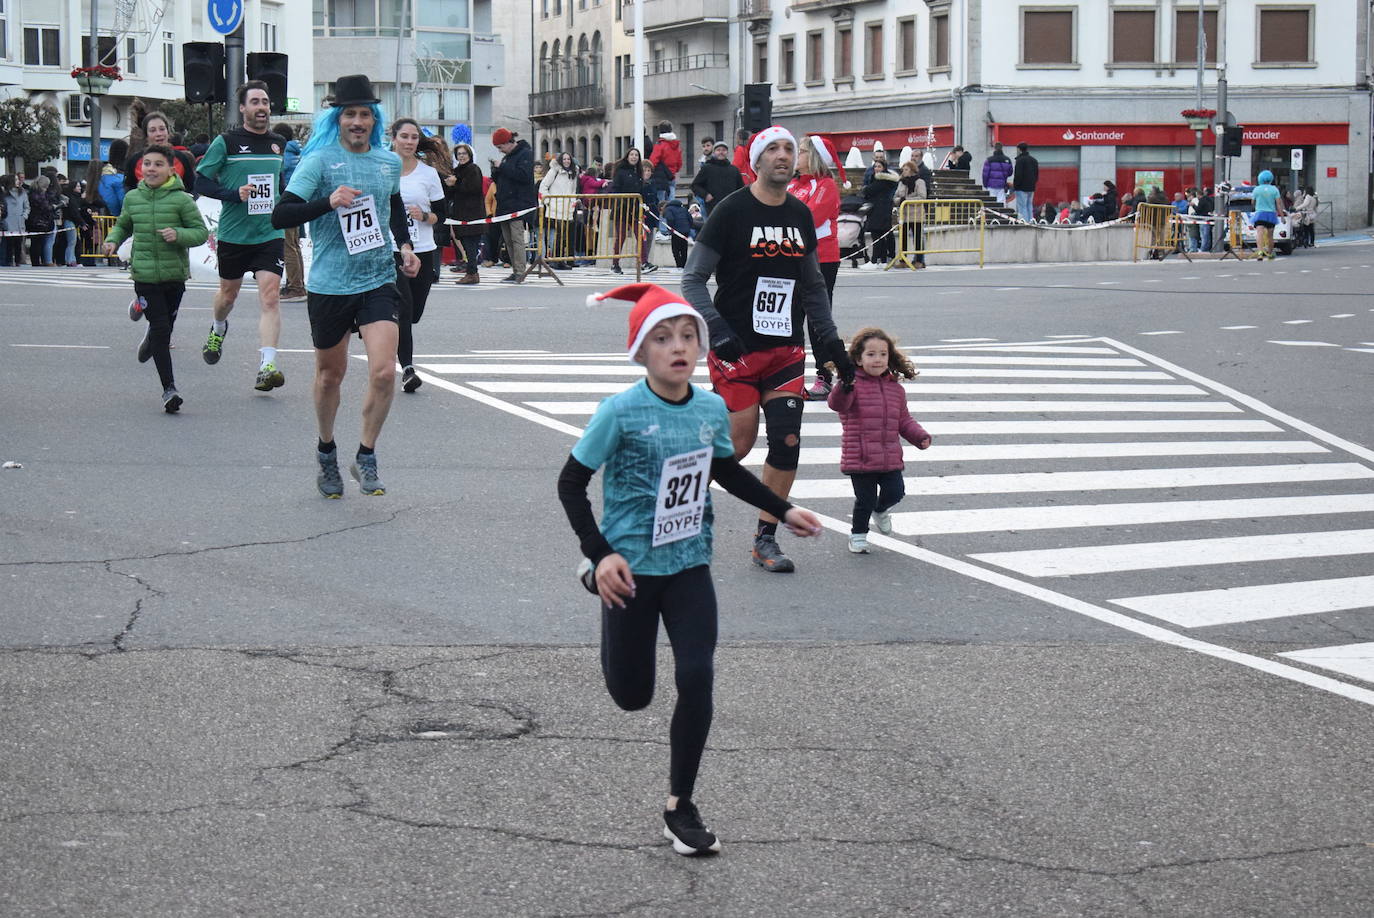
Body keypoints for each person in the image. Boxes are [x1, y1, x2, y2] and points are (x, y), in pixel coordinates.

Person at [558, 282, 823, 857]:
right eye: (662, 338)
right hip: (628, 567)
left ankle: (680, 804)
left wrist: (783, 509)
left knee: (697, 675)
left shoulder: (709, 408)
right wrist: (601, 553)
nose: (677, 346)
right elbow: (571, 483)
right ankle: (592, 575)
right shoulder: (620, 412)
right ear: (642, 352)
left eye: (686, 336)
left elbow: (725, 471)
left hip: (688, 563)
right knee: (632, 697)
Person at [681, 125, 854, 572]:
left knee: (787, 442)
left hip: (785, 350)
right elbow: (692, 279)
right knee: (737, 446)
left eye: (789, 149)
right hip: (736, 347)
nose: (782, 155)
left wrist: (831, 342)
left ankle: (765, 539)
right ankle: (679, 497)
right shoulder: (731, 211)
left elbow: (813, 286)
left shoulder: (799, 214)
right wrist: (716, 328)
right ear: (756, 161)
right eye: (772, 148)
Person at [271, 73, 420, 498]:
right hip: (331, 284)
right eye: (350, 114)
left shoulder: (388, 162)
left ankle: (366, 455)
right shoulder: (318, 161)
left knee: (383, 371)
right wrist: (328, 201)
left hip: (377, 278)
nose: (358, 121)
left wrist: (405, 245)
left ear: (374, 120)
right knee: (329, 376)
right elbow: (281, 216)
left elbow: (392, 206)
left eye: (365, 115)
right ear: (337, 119)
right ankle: (325, 450)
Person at [194, 80, 289, 392]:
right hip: (235, 234)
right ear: (244, 108)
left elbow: (281, 182)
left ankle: (267, 365)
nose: (262, 107)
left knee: (271, 296)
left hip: (269, 232)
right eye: (256, 102)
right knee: (228, 296)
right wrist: (234, 194)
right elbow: (202, 182)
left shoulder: (278, 143)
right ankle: (218, 327)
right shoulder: (226, 142)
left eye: (265, 101)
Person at [101, 144, 210, 412]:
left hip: (174, 276)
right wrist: (112, 240)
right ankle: (169, 390)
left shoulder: (182, 200)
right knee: (161, 330)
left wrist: (179, 235)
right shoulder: (133, 198)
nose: (151, 169)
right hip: (145, 276)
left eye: (158, 164)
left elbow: (200, 233)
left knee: (164, 329)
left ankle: (152, 341)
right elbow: (124, 224)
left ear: (171, 169)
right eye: (147, 164)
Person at [827, 327, 931, 553]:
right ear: (858, 358)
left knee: (896, 492)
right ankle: (858, 536)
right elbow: (837, 404)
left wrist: (919, 436)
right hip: (860, 455)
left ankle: (881, 509)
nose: (878, 359)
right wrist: (844, 385)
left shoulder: (896, 389)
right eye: (871, 354)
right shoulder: (851, 385)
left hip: (889, 455)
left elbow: (903, 420)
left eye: (883, 354)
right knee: (864, 499)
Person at [389, 118, 446, 393]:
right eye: (404, 136)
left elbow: (442, 214)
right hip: (390, 250)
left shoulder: (427, 174)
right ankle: (408, 369)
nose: (409, 142)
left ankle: (379, 324)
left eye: (414, 137)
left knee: (414, 314)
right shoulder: (383, 168)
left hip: (424, 249)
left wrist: (424, 216)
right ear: (394, 138)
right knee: (404, 308)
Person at [788, 134, 845, 400]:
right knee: (791, 319)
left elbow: (808, 217)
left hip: (821, 259)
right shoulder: (793, 185)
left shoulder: (825, 185)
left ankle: (825, 375)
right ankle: (792, 375)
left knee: (817, 320)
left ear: (813, 157)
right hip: (790, 258)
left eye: (799, 151)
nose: (794, 156)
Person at [489, 127, 535, 284]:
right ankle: (515, 270)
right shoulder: (508, 157)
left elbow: (523, 176)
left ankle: (520, 271)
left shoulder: (525, 154)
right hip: (505, 205)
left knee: (517, 239)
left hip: (518, 204)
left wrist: (502, 167)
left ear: (508, 143)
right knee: (508, 241)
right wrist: (496, 171)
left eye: (500, 147)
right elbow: (501, 179)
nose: (500, 151)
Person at [123, 111, 198, 192]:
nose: (158, 134)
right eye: (152, 130)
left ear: (168, 132)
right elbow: (129, 188)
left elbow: (191, 189)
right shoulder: (135, 160)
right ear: (146, 135)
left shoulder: (182, 158)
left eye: (162, 129)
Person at [274, 123, 308, 300]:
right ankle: (298, 283)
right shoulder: (296, 153)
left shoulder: (283, 155)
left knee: (288, 246)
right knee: (294, 245)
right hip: (298, 201)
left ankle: (295, 286)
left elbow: (276, 175)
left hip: (286, 203)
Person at [449, 142, 486, 284]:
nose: (462, 156)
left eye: (464, 153)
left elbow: (473, 188)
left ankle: (472, 273)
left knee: (471, 245)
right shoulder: (457, 170)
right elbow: (453, 193)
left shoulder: (473, 169)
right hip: (460, 214)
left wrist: (456, 183)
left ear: (469, 155)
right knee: (466, 245)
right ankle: (471, 271)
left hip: (472, 215)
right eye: (459, 154)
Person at [609, 147, 649, 275]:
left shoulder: (638, 173)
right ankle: (615, 264)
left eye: (636, 155)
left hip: (636, 210)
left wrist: (644, 204)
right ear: (627, 156)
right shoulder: (621, 172)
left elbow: (641, 191)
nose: (634, 157)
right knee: (621, 237)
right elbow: (615, 189)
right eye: (631, 155)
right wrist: (622, 201)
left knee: (640, 236)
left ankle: (644, 262)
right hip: (622, 209)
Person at [539, 150, 579, 269]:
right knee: (558, 235)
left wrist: (573, 202)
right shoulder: (554, 171)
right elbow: (543, 186)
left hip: (568, 208)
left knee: (565, 235)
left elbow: (573, 190)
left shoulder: (573, 173)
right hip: (555, 207)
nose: (566, 161)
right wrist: (549, 202)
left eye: (568, 159)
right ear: (561, 161)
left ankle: (561, 259)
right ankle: (556, 260)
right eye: (564, 159)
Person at [860, 150, 900, 267]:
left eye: (879, 166)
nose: (876, 168)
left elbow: (869, 190)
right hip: (878, 209)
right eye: (875, 166)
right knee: (879, 235)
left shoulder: (883, 179)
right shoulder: (876, 177)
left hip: (880, 209)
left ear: (884, 167)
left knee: (877, 235)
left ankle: (874, 261)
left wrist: (866, 190)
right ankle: (882, 260)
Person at [691, 141, 744, 220]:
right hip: (713, 207)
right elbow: (695, 185)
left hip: (731, 207)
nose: (721, 152)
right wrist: (705, 195)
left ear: (727, 152)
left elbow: (741, 188)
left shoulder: (734, 170)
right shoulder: (707, 168)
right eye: (718, 150)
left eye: (723, 150)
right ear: (714, 152)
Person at [892, 159, 928, 266]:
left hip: (916, 215)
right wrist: (899, 200)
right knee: (903, 238)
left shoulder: (919, 182)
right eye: (903, 170)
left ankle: (919, 260)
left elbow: (922, 197)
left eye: (906, 169)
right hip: (904, 215)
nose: (904, 172)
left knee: (917, 238)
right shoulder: (901, 183)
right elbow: (896, 196)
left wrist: (907, 200)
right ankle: (903, 260)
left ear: (912, 170)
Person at [1251, 169, 1285, 261]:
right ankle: (1270, 253)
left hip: (1260, 214)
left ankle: (1260, 252)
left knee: (1259, 233)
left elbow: (1252, 202)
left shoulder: (1256, 189)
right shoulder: (1274, 189)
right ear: (1270, 179)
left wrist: (1255, 207)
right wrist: (1282, 216)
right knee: (1270, 235)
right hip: (1271, 214)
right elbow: (1278, 203)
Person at [26, 175, 59, 267]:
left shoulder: (32, 193)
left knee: (37, 242)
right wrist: (54, 207)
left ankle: (38, 261)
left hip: (34, 220)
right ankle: (37, 262)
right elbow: (45, 207)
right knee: (37, 243)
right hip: (39, 221)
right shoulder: (38, 194)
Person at [647, 121, 681, 205]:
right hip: (672, 176)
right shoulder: (675, 145)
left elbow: (653, 161)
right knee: (671, 200)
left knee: (661, 203)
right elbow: (679, 163)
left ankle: (662, 218)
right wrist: (673, 171)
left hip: (660, 177)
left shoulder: (660, 144)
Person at [2, 175, 31, 266]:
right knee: (8, 244)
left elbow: (27, 206)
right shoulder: (4, 193)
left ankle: (18, 261)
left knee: (19, 243)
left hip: (19, 221)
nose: (18, 181)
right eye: (16, 179)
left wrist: (24, 216)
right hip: (7, 221)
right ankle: (8, 261)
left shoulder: (22, 192)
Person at [99, 141, 129, 217]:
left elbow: (109, 199)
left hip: (114, 215)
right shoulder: (130, 168)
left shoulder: (106, 174)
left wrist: (116, 214)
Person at [660, 197, 691, 268]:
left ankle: (679, 265)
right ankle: (684, 265)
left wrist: (670, 229)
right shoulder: (684, 209)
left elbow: (670, 219)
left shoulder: (668, 209)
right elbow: (690, 219)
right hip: (685, 232)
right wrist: (688, 228)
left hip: (676, 232)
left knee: (675, 250)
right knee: (684, 249)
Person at [1011, 142, 1038, 223]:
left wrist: (1015, 186)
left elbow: (1018, 175)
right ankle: (1031, 221)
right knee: (1029, 205)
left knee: (1022, 206)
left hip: (1021, 187)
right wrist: (1033, 183)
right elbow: (1036, 174)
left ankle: (1024, 222)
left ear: (1019, 149)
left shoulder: (1020, 161)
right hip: (1031, 187)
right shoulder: (1034, 160)